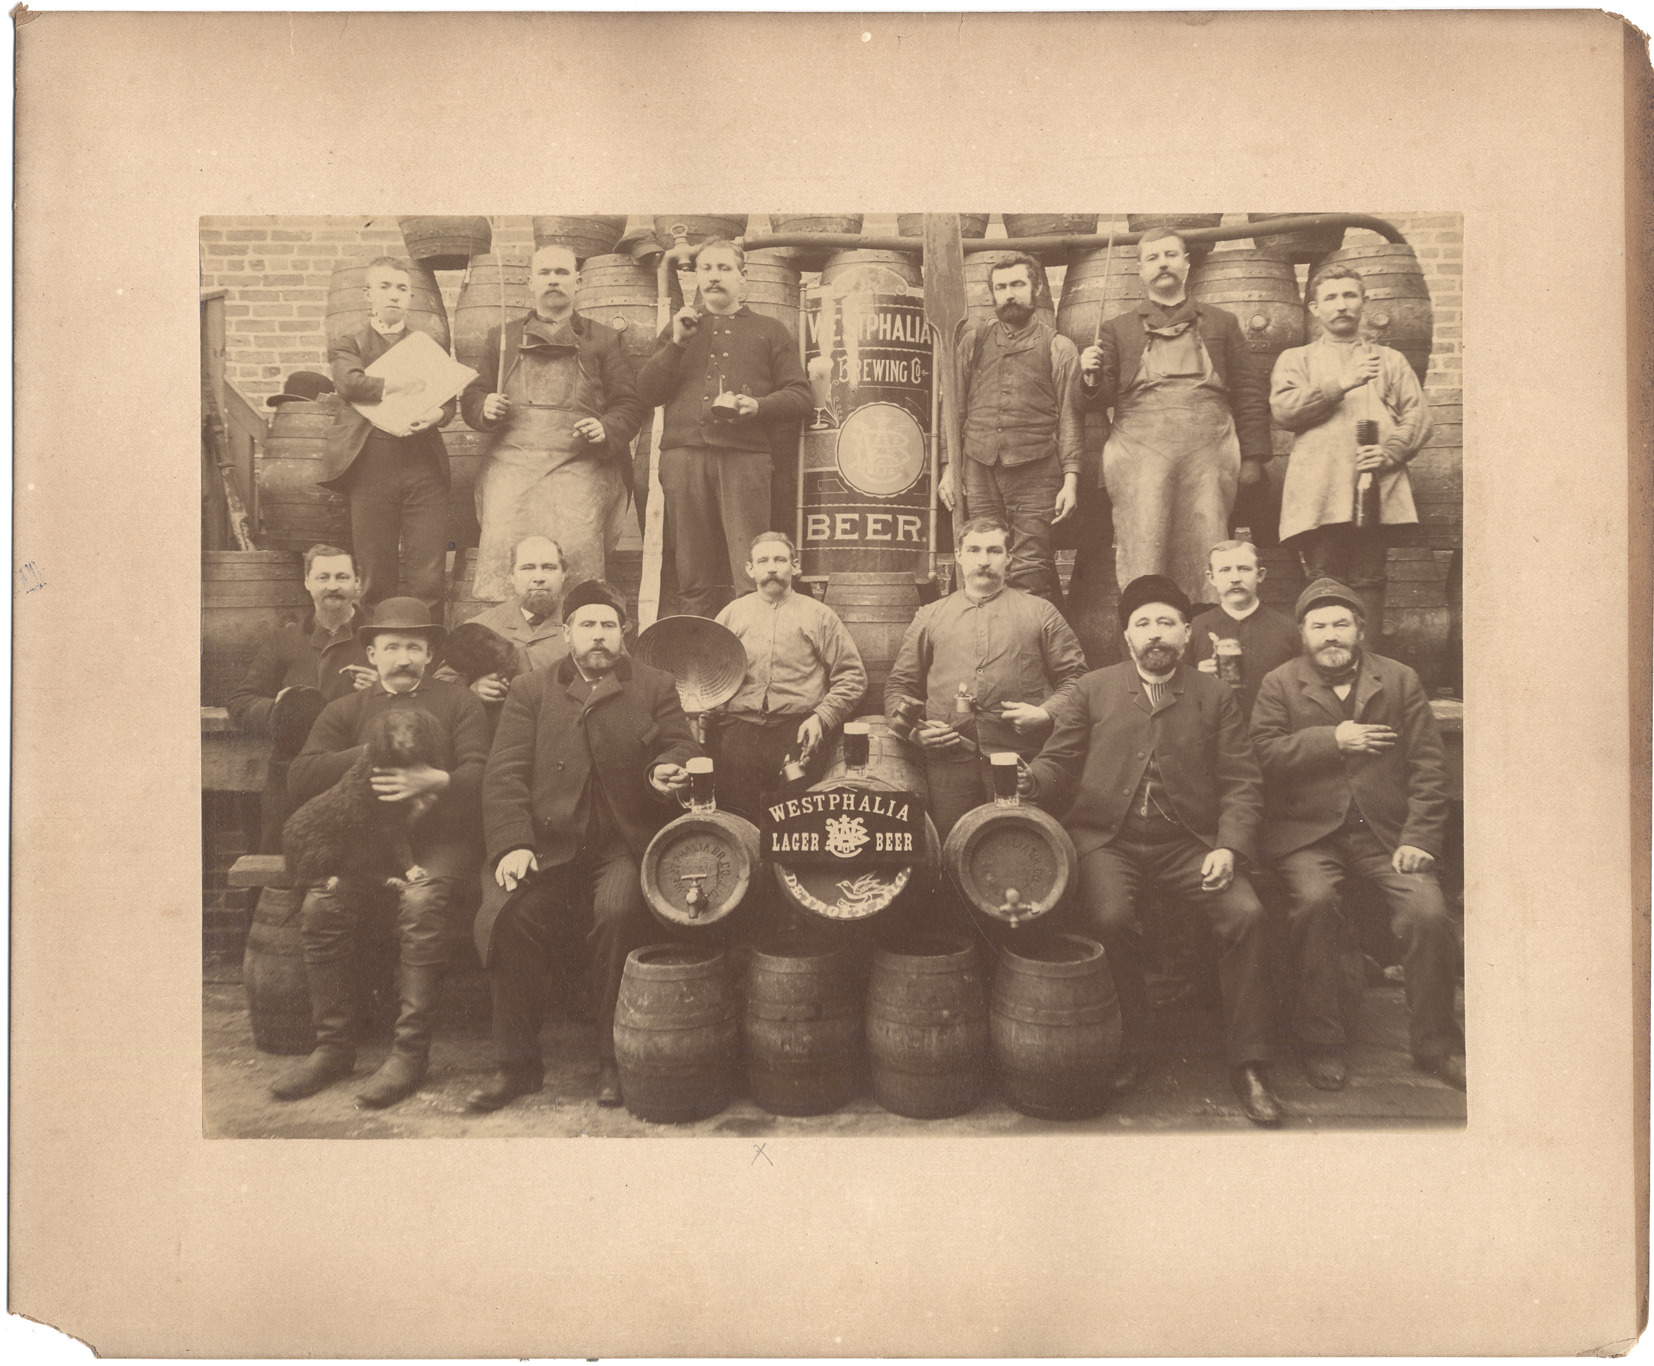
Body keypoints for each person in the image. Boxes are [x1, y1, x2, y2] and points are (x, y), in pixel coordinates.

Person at [1021, 574, 1282, 1126]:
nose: (1155, 633)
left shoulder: (1214, 694)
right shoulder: (1094, 688)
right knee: (1109, 917)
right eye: (1143, 624)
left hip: (1189, 844)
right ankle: (1133, 1041)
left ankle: (1250, 1063)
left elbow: (1241, 781)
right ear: (1127, 637)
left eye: (1167, 622)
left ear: (1187, 634)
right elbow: (1059, 761)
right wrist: (1030, 780)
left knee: (1246, 914)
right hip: (1107, 840)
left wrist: (1229, 847)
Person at [469, 580, 702, 1112]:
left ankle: (612, 1059)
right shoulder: (532, 689)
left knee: (619, 912)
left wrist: (667, 769)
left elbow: (681, 745)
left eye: (608, 626)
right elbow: (504, 774)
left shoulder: (653, 685)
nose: (599, 636)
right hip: (546, 846)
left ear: (624, 633)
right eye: (588, 625)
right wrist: (512, 844)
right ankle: (515, 1065)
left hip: (621, 844)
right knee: (509, 916)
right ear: (567, 633)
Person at [274, 598, 490, 1108]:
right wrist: (371, 752)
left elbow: (484, 773)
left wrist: (435, 779)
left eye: (415, 647)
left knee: (420, 902)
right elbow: (300, 777)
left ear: (430, 654)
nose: (404, 658)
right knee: (322, 905)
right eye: (391, 647)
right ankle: (333, 1049)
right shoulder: (346, 709)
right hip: (367, 849)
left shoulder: (460, 703)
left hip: (442, 841)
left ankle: (409, 1055)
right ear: (371, 654)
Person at [1251, 578, 1462, 1093]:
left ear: (1360, 630)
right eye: (1319, 625)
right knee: (1315, 902)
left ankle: (1437, 1045)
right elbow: (1262, 755)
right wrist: (1334, 739)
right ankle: (1322, 1040)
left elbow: (1430, 768)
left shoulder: (1399, 680)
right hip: (1307, 835)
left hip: (1385, 834)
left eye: (1341, 624)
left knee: (1427, 912)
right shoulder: (1279, 683)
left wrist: (1419, 838)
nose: (1331, 635)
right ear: (1302, 634)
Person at [1078, 228, 1272, 606]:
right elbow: (1095, 401)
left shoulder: (1221, 323)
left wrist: (1253, 458)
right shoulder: (1117, 329)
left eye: (1170, 255)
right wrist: (1089, 376)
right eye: (1152, 258)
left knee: (1208, 548)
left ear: (1186, 263)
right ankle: (1147, 624)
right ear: (1140, 270)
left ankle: (1205, 627)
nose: (1162, 263)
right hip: (1140, 461)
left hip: (1208, 460)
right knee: (1145, 549)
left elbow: (1249, 393)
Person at [635, 238, 813, 617]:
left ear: (743, 277)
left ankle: (756, 645)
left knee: (751, 571)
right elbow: (647, 392)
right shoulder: (678, 328)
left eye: (724, 268)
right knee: (691, 574)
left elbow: (801, 396)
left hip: (744, 461)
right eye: (706, 269)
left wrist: (759, 406)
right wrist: (676, 345)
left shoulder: (770, 330)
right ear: (697, 276)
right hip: (682, 460)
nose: (714, 277)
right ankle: (699, 650)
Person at [460, 244, 644, 601]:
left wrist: (606, 428)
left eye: (562, 273)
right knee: (504, 541)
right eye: (545, 273)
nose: (553, 280)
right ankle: (505, 623)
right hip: (511, 463)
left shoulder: (604, 339)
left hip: (581, 464)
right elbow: (473, 395)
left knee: (576, 543)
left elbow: (629, 404)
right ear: (531, 282)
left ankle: (579, 614)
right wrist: (484, 406)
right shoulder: (502, 337)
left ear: (578, 282)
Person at [885, 517, 1087, 842]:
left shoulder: (1041, 612)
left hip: (1021, 760)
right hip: (948, 763)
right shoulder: (930, 616)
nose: (983, 560)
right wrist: (914, 731)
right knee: (951, 846)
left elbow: (1076, 678)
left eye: (994, 551)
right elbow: (900, 686)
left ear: (1009, 558)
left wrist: (1045, 713)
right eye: (974, 550)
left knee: (1021, 843)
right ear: (958, 556)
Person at [1270, 264, 1434, 630]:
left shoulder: (1390, 360)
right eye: (1330, 298)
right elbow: (1285, 411)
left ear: (1364, 301)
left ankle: (1369, 661)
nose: (1341, 305)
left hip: (1374, 492)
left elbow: (1418, 417)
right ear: (1315, 309)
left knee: (1369, 581)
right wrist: (1342, 382)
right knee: (1323, 583)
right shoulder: (1296, 359)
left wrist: (1390, 452)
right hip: (1320, 493)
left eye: (1349, 295)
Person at [939, 252, 1083, 609]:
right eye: (1001, 287)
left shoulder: (1059, 348)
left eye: (1017, 285)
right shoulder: (973, 342)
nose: (1009, 294)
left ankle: (1030, 640)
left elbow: (1070, 417)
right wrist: (948, 468)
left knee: (1031, 567)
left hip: (1037, 473)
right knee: (983, 561)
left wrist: (1070, 480)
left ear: (1036, 289)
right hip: (979, 467)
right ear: (993, 294)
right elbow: (954, 410)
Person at [320, 257, 455, 616]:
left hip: (423, 466)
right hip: (372, 466)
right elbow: (350, 383)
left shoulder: (425, 345)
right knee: (375, 574)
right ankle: (374, 645)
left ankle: (427, 645)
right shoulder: (350, 342)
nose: (394, 295)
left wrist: (435, 415)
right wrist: (401, 383)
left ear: (410, 297)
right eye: (385, 287)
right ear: (369, 294)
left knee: (428, 576)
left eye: (401, 288)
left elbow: (449, 400)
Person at [713, 530, 867, 822]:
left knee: (796, 826)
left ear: (795, 567)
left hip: (799, 734)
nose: (771, 568)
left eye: (780, 560)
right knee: (739, 822)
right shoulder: (731, 615)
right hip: (739, 737)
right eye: (763, 561)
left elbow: (852, 677)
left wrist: (821, 718)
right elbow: (708, 678)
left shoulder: (819, 615)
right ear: (750, 569)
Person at [228, 544, 373, 852]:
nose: (332, 586)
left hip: (355, 776)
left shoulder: (378, 638)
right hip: (292, 779)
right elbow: (241, 702)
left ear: (357, 583)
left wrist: (380, 690)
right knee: (280, 864)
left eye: (342, 577)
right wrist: (281, 708)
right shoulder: (286, 640)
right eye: (323, 577)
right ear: (307, 582)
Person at [1185, 539, 1301, 719]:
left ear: (1260, 575)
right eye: (1225, 570)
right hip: (1214, 730)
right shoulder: (1195, 628)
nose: (1235, 578)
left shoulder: (1288, 630)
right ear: (1211, 578)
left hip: (1274, 730)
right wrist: (1195, 681)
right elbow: (1177, 692)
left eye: (1244, 569)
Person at [459, 534, 571, 681]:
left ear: (563, 574)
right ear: (512, 576)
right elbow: (443, 681)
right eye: (528, 568)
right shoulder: (480, 626)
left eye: (549, 568)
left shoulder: (585, 623)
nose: (539, 578)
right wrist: (473, 687)